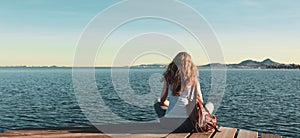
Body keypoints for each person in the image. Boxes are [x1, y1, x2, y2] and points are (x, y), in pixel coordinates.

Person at [155, 52, 214, 133]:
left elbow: (162, 101)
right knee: (210, 105)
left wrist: (170, 104)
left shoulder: (168, 79)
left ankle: (171, 114)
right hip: (189, 125)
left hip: (169, 124)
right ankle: (204, 120)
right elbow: (201, 103)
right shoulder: (194, 81)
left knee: (157, 102)